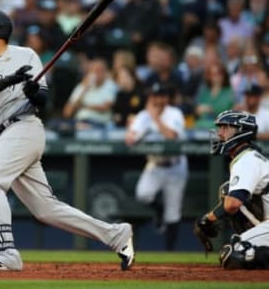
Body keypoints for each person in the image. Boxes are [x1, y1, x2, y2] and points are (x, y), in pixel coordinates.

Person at [0, 7, 134, 271]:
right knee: (45, 209)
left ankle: (6, 253)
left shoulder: (26, 55)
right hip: (4, 135)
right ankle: (115, 234)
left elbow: (43, 101)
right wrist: (12, 81)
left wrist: (31, 92)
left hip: (25, 128)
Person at [194, 109, 269, 270]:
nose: (220, 133)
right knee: (227, 190)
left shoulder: (247, 159)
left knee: (236, 251)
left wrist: (208, 218)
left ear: (240, 131)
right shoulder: (249, 156)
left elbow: (232, 204)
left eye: (225, 128)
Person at [125, 83, 188, 251]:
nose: (156, 99)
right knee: (143, 194)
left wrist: (156, 119)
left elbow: (172, 136)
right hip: (155, 164)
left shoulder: (174, 113)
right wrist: (133, 129)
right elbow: (130, 140)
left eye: (160, 96)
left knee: (173, 212)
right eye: (153, 96)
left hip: (175, 166)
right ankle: (159, 209)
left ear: (166, 98)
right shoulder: (144, 115)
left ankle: (170, 253)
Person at [62, 58, 118, 129]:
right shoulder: (82, 86)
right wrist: (84, 89)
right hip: (78, 121)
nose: (96, 73)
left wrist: (83, 106)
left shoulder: (111, 85)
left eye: (99, 70)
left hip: (99, 123)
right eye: (93, 71)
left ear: (105, 72)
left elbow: (104, 108)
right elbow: (67, 112)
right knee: (56, 124)